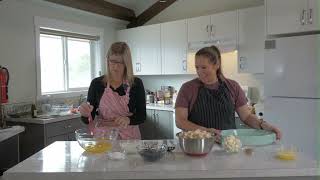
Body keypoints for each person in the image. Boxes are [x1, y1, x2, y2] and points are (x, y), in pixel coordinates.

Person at [175, 45, 282, 140]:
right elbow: (180, 121)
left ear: (216, 65)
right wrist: (205, 131)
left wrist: (264, 125)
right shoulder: (188, 88)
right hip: (199, 146)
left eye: (203, 67)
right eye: (197, 67)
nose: (199, 72)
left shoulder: (233, 86)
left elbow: (246, 117)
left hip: (228, 145)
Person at [79, 42, 146, 140]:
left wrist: (128, 119)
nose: (115, 66)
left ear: (127, 63)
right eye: (113, 61)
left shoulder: (136, 84)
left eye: (121, 62)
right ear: (107, 60)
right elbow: (90, 118)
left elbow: (142, 115)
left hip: (129, 139)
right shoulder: (97, 84)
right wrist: (85, 114)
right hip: (104, 138)